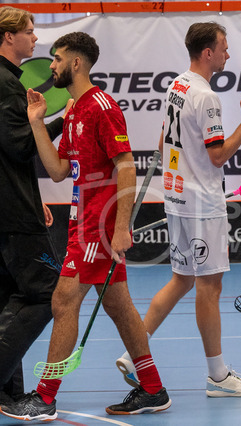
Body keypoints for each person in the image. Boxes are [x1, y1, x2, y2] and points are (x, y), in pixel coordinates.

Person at [0, 32, 171, 422]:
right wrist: (37, 123)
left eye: (58, 59)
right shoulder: (75, 111)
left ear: (76, 63)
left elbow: (126, 166)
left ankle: (45, 397)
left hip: (99, 226)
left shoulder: (102, 107)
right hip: (82, 223)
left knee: (62, 301)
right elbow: (59, 170)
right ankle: (152, 388)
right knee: (118, 306)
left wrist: (121, 227)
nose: (52, 66)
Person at [115, 22, 241, 397]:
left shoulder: (177, 85)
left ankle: (134, 354)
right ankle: (218, 377)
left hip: (176, 199)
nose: (228, 54)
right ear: (208, 53)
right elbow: (218, 156)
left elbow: (164, 141)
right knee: (209, 286)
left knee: (181, 279)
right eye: (224, 47)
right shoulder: (206, 96)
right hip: (202, 205)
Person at [0, 6, 64, 405]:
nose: (35, 38)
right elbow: (21, 146)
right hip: (12, 213)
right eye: (29, 31)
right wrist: (59, 122)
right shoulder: (6, 84)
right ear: (9, 37)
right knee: (45, 293)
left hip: (11, 204)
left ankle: (8, 392)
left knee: (8, 297)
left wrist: (34, 199)